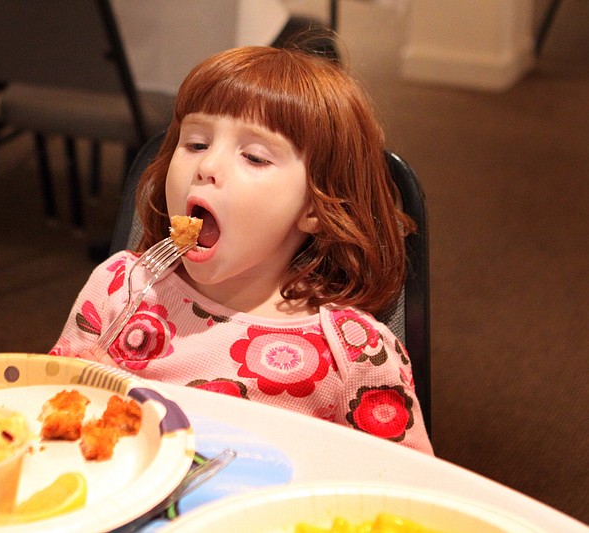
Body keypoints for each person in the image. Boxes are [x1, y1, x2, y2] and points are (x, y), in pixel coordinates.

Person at [51, 45, 433, 454]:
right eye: (196, 144)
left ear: (314, 207)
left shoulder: (353, 355)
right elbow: (52, 411)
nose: (207, 166)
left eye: (254, 156)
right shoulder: (118, 289)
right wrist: (85, 386)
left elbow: (410, 491)